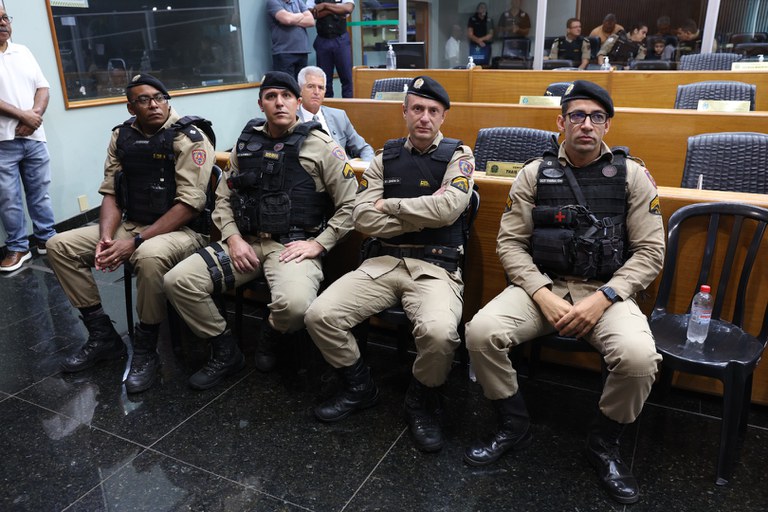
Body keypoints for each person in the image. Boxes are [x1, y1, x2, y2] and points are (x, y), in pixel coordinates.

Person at [463, 80, 664, 504]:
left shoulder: (632, 175)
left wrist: (604, 298)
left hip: (606, 292)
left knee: (639, 359)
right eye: (577, 116)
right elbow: (510, 244)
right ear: (561, 122)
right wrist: (541, 293)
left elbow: (650, 252)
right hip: (543, 286)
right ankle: (513, 423)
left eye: (596, 117)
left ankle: (603, 444)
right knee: (481, 332)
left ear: (607, 125)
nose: (586, 124)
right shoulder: (533, 173)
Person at [305, 76, 475, 453]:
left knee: (439, 335)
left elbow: (449, 209)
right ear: (405, 111)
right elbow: (363, 218)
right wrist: (422, 216)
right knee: (319, 315)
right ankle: (359, 386)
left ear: (443, 116)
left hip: (436, 267)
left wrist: (391, 205)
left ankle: (422, 400)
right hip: (383, 261)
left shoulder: (459, 156)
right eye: (417, 108)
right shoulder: (385, 158)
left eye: (433, 110)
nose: (424, 117)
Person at [163, 71, 357, 390]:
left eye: (286, 96)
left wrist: (320, 244)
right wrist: (233, 238)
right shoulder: (246, 143)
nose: (279, 103)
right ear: (260, 103)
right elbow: (223, 197)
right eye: (271, 97)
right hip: (245, 242)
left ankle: (271, 333)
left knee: (294, 307)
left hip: (293, 247)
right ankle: (225, 350)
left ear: (297, 102)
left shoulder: (322, 146)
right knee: (178, 281)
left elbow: (352, 205)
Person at [47, 74, 215, 393]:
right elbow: (111, 192)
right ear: (130, 107)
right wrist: (107, 237)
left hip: (184, 231)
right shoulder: (122, 136)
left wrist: (135, 242)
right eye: (144, 100)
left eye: (159, 97)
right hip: (133, 223)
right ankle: (102, 336)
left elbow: (189, 206)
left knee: (148, 256)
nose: (154, 105)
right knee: (59, 245)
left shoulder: (189, 137)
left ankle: (146, 348)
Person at [0, 7, 57, 272]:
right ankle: (18, 248)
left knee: (40, 194)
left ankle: (48, 240)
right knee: (8, 199)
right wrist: (24, 115)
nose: (3, 23)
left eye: (5, 17)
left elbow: (43, 87)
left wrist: (34, 116)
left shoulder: (22, 51)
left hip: (34, 137)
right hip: (3, 142)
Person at [297, 66, 374, 162]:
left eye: (321, 88)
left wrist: (366, 167)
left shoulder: (339, 116)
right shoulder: (292, 120)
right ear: (300, 89)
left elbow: (364, 149)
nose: (316, 92)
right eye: (311, 86)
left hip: (344, 169)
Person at [306, 0, 354, 98]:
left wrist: (324, 6)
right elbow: (310, 13)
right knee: (324, 81)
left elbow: (348, 8)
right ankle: (326, 107)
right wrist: (336, 10)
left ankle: (349, 107)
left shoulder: (324, 5)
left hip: (341, 40)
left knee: (347, 79)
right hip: (323, 40)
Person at [267, 0, 315, 79]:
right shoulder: (273, 2)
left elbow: (311, 21)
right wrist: (301, 14)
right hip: (284, 53)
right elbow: (287, 19)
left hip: (302, 52)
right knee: (286, 84)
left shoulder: (298, 1)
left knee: (302, 84)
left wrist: (292, 19)